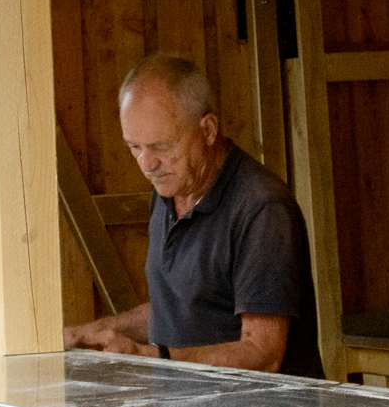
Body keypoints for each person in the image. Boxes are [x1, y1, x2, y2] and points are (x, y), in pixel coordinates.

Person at [64, 53, 323, 377]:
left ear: (208, 130)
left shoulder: (261, 209)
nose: (147, 164)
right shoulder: (169, 189)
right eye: (134, 147)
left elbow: (263, 353)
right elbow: (178, 311)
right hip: (188, 405)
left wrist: (150, 356)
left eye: (161, 146)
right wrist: (90, 333)